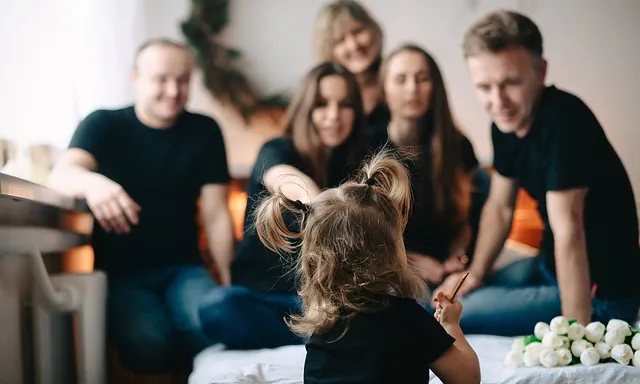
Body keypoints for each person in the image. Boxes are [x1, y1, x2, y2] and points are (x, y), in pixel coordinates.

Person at [434, 10, 640, 336]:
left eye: (510, 83)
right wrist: (473, 274)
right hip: (548, 266)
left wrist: (577, 335)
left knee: (456, 315)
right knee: (444, 297)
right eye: (484, 87)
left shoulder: (565, 122)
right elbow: (500, 208)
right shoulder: (504, 125)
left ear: (541, 71)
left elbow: (569, 229)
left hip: (600, 292)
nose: (497, 100)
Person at [47, 38, 234, 372]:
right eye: (161, 79)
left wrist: (229, 281)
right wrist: (93, 183)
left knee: (212, 328)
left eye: (182, 80)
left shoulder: (205, 130)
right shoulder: (103, 124)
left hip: (185, 268)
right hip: (122, 274)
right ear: (136, 78)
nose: (173, 90)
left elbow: (217, 214)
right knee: (147, 347)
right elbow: (61, 174)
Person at [254, 150, 481, 384]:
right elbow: (467, 378)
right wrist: (450, 324)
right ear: (390, 252)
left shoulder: (322, 328)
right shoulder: (408, 318)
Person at [198, 62, 370, 350]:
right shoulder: (277, 148)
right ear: (306, 109)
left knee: (408, 308)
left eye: (345, 105)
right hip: (267, 298)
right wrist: (317, 204)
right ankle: (320, 334)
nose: (333, 116)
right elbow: (282, 176)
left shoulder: (358, 164)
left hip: (328, 303)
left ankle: (324, 332)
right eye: (321, 104)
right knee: (217, 307)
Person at [373, 43, 489, 286]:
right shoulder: (366, 146)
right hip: (390, 275)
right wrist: (409, 261)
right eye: (401, 79)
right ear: (383, 89)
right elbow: (361, 233)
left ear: (435, 87)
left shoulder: (456, 144)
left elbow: (465, 218)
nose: (413, 89)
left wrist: (459, 255)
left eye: (422, 78)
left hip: (448, 272)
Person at [313, 0, 390, 131]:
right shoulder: (317, 90)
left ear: (373, 30)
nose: (353, 45)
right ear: (328, 50)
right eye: (340, 40)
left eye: (357, 31)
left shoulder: (399, 78)